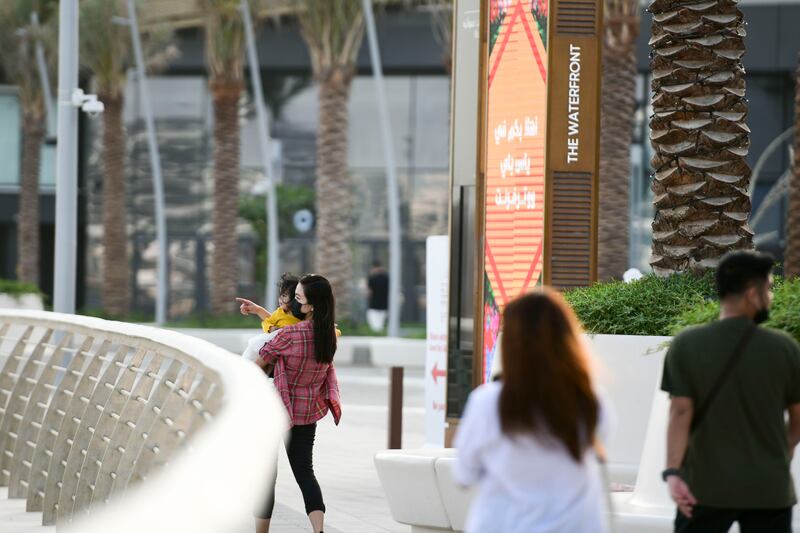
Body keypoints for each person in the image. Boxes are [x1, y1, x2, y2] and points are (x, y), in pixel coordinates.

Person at [661, 250, 800, 533]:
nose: (770, 298)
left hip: (703, 487)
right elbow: (799, 419)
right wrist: (779, 455)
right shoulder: (784, 348)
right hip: (768, 488)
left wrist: (673, 472)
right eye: (769, 289)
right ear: (752, 294)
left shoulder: (687, 344)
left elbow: (680, 412)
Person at [454, 289, 610, 533]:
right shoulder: (590, 399)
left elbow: (464, 473)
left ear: (511, 342)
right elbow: (599, 444)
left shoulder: (488, 402)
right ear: (567, 338)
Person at [252, 274, 341, 533]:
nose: (294, 301)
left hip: (274, 411)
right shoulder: (331, 337)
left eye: (299, 297)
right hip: (306, 413)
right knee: (305, 473)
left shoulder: (290, 335)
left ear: (311, 305)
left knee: (266, 477)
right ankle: (319, 530)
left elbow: (258, 366)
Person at [237, 273, 304, 363]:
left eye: (284, 295)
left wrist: (258, 309)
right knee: (250, 359)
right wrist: (271, 328)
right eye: (280, 295)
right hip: (273, 349)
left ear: (295, 298)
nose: (280, 299)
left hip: (289, 352)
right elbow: (268, 321)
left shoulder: (303, 314)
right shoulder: (280, 312)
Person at [366, 261, 389, 332]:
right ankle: (379, 333)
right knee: (379, 323)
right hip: (383, 304)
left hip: (375, 304)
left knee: (375, 321)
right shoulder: (387, 277)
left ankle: (377, 333)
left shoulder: (372, 278)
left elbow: (369, 292)